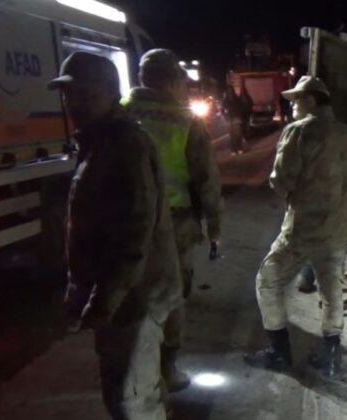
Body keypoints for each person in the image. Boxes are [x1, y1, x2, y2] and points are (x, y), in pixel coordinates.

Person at [51, 52, 181, 420]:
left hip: (135, 300)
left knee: (131, 402)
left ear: (111, 93)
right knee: (137, 391)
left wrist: (101, 303)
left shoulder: (125, 145)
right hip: (126, 298)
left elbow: (132, 237)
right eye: (68, 95)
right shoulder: (99, 141)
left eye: (85, 94)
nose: (73, 104)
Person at [243, 75, 347, 378]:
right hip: (338, 227)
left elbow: (281, 179)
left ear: (311, 100)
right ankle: (331, 359)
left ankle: (279, 353)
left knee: (268, 281)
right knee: (331, 288)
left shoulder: (298, 132)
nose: (292, 103)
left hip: (303, 228)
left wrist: (295, 194)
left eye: (296, 98)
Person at [121, 49, 223, 392]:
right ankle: (167, 368)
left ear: (141, 77)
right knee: (170, 293)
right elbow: (206, 180)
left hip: (122, 224)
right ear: (173, 81)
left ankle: (130, 368)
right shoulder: (185, 120)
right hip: (172, 224)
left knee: (127, 290)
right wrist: (215, 229)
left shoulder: (117, 114)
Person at [222, 71, 253, 155]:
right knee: (236, 133)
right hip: (235, 117)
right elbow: (245, 104)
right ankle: (238, 149)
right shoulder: (236, 95)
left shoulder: (228, 96)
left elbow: (223, 107)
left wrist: (225, 115)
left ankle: (234, 149)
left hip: (232, 117)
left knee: (233, 134)